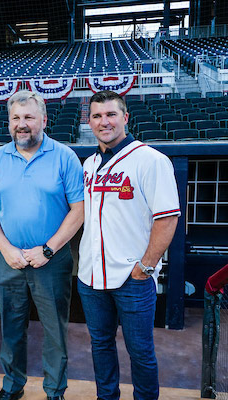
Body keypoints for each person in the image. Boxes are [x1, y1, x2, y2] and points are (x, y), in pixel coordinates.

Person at [0, 90, 84, 400]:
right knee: (11, 329)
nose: (22, 124)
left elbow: (79, 210)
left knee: (54, 331)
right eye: (16, 118)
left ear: (44, 120)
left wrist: (48, 249)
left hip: (51, 260)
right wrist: (5, 249)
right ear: (9, 122)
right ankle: (12, 387)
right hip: (8, 260)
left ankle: (54, 390)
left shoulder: (64, 156)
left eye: (28, 117)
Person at [78, 90, 180, 400]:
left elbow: (167, 219)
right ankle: (106, 397)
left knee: (140, 351)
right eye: (97, 116)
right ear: (89, 122)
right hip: (91, 276)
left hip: (132, 278)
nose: (103, 121)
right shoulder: (89, 164)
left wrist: (145, 267)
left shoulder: (151, 160)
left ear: (125, 117)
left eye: (110, 114)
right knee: (101, 345)